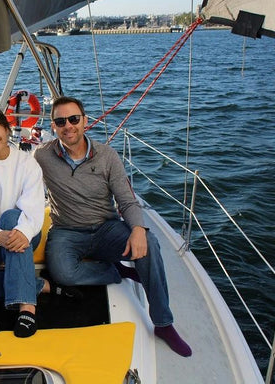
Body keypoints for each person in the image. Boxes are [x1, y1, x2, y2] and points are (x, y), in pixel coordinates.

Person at [34, 96, 192, 357]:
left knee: (149, 245)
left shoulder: (107, 156)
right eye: (61, 121)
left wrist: (139, 230)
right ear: (53, 126)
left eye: (74, 119)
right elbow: (15, 173)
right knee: (62, 274)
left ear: (85, 121)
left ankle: (163, 323)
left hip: (106, 229)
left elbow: (127, 201)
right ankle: (114, 271)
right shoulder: (43, 155)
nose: (68, 126)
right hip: (66, 231)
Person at [0, 107, 77, 338]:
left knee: (11, 217)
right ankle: (38, 286)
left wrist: (19, 232)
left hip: (25, 235)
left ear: (6, 128)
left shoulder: (26, 163)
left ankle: (27, 309)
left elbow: (32, 208)